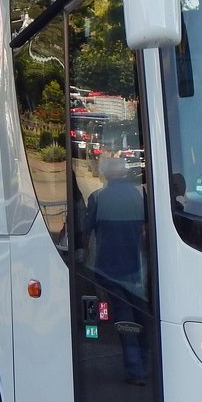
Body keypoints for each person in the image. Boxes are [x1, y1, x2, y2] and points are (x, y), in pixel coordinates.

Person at [84, 156, 149, 384]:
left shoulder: (98, 198)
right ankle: (146, 363)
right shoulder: (141, 196)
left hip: (108, 269)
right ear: (123, 173)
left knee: (125, 319)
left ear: (106, 175)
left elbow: (86, 230)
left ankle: (135, 370)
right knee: (143, 316)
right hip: (137, 268)